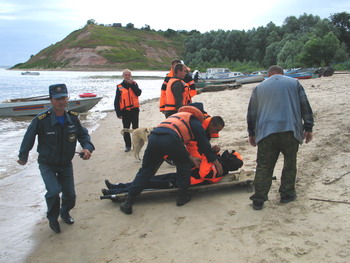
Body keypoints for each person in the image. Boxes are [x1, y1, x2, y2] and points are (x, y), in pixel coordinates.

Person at [17, 84, 95, 233]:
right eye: (58, 99)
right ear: (51, 100)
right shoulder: (41, 119)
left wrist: (87, 148)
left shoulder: (73, 118)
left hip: (66, 164)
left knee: (70, 195)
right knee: (53, 191)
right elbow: (28, 138)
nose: (62, 101)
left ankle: (65, 212)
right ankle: (52, 218)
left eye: (64, 98)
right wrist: (23, 156)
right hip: (47, 164)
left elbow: (84, 135)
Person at [119, 105, 224, 214]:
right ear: (211, 123)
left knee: (146, 170)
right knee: (184, 166)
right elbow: (203, 144)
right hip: (170, 139)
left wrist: (191, 157)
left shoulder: (178, 117)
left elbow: (183, 146)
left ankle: (128, 202)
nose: (215, 132)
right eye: (216, 129)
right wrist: (216, 162)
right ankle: (182, 197)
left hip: (154, 137)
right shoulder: (195, 121)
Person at [246, 65, 314, 210]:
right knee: (290, 164)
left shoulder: (259, 87)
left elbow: (251, 112)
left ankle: (258, 199)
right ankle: (286, 194)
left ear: (268, 74)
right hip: (289, 130)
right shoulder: (294, 83)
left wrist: (251, 133)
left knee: (264, 165)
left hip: (266, 133)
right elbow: (305, 106)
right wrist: (308, 128)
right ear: (282, 74)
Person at [102, 149, 243, 195]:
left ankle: (113, 192)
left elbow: (203, 173)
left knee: (146, 183)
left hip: (182, 182)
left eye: (228, 156)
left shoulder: (219, 169)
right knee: (145, 180)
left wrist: (208, 155)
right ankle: (117, 186)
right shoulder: (219, 163)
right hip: (182, 176)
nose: (225, 155)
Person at [114, 69, 142, 152]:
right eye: (126, 75)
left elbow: (138, 93)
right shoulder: (119, 86)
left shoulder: (134, 84)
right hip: (125, 111)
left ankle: (136, 145)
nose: (127, 76)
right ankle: (127, 146)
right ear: (123, 76)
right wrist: (118, 113)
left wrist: (132, 85)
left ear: (131, 76)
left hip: (134, 110)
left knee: (135, 129)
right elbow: (116, 101)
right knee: (126, 129)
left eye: (129, 75)